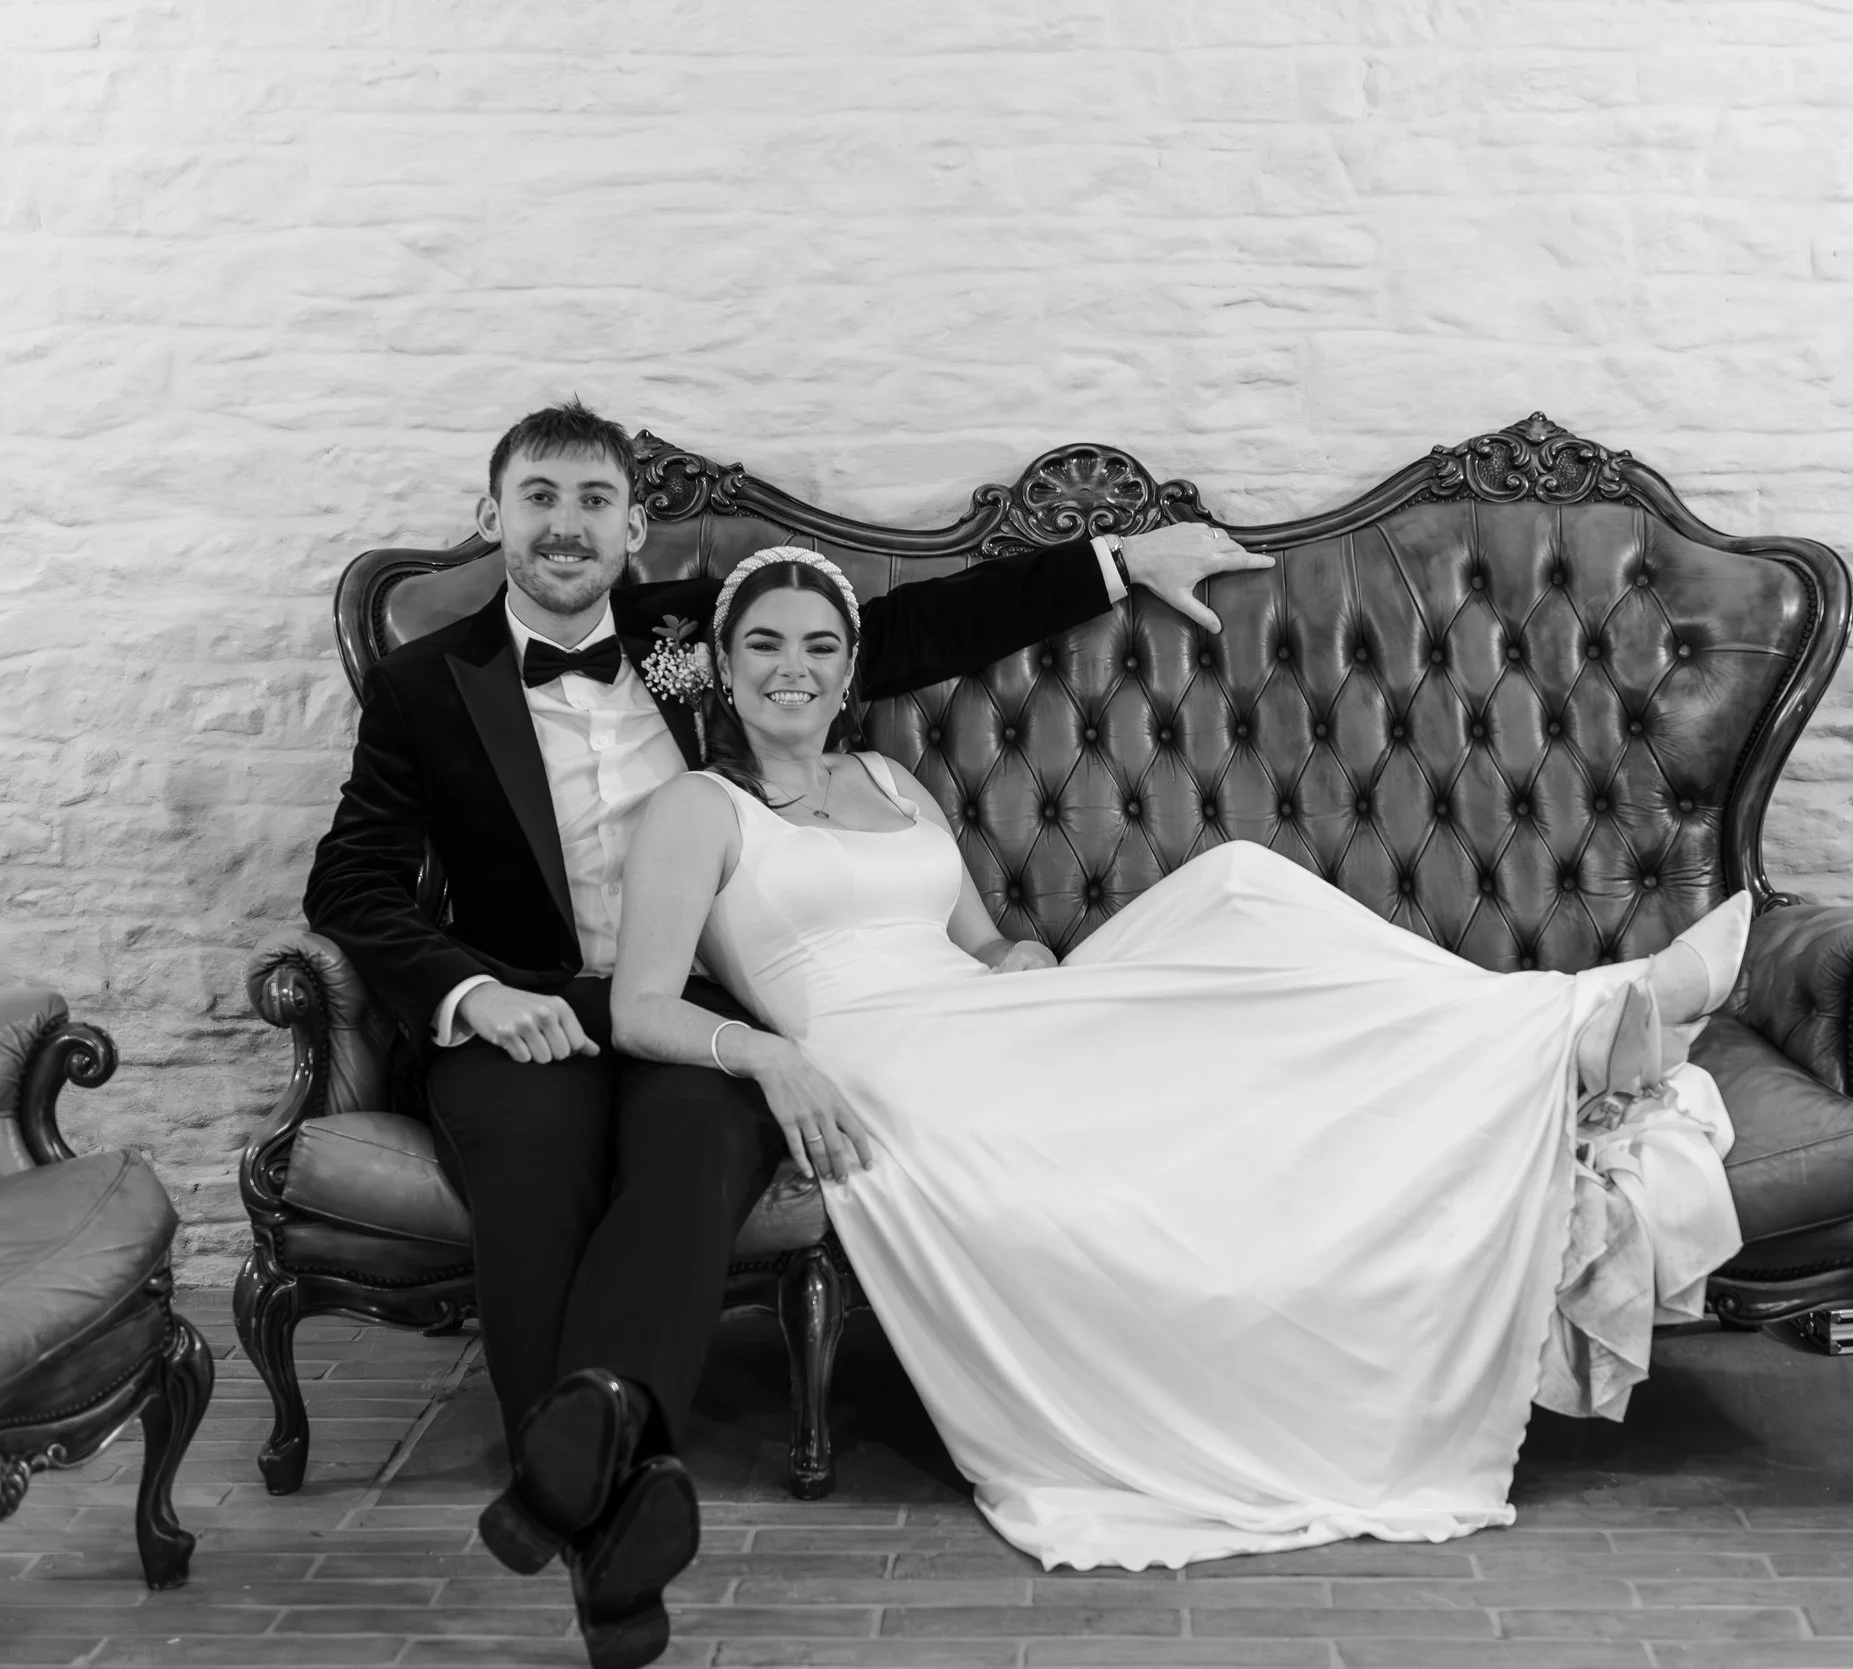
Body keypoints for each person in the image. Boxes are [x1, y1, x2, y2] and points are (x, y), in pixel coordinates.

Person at [301, 402, 1271, 1667]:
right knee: (535, 1171)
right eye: (538, 498)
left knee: (703, 1148)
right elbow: (353, 880)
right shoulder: (429, 684)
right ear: (494, 519)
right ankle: (607, 1523)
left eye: (594, 500)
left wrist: (1115, 562)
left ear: (633, 527)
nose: (565, 525)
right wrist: (470, 996)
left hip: (694, 1012)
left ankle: (564, 1484)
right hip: (520, 1008)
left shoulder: (680, 643)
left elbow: (895, 633)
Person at [613, 549, 1755, 1576]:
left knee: (1237, 886)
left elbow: (979, 940)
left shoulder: (890, 782)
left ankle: (1558, 1024)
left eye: (819, 645)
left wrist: (1019, 960)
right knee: (1228, 951)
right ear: (720, 661)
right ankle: (1585, 1020)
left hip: (992, 1019)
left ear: (851, 665)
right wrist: (765, 1053)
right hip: (883, 1061)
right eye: (763, 644)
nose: (792, 669)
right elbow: (641, 1005)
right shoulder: (697, 809)